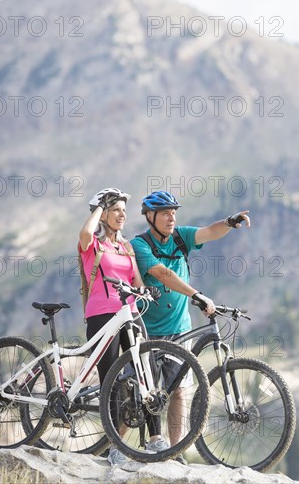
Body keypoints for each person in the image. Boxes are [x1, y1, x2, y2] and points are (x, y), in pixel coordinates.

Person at [131, 190, 251, 464]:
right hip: (148, 331)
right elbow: (163, 274)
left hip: (180, 330)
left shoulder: (180, 236)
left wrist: (230, 223)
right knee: (148, 391)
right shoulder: (140, 245)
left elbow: (209, 231)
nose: (172, 217)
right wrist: (196, 294)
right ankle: (153, 443)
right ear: (150, 217)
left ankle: (176, 452)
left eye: (174, 212)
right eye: (165, 213)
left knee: (179, 391)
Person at [79, 187, 169, 466]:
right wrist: (99, 207)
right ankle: (114, 446)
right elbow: (85, 233)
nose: (122, 215)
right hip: (102, 315)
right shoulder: (93, 244)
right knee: (113, 381)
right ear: (104, 213)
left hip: (129, 314)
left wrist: (146, 291)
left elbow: (137, 281)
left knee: (149, 372)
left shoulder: (126, 247)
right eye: (116, 209)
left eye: (123, 210)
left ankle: (156, 438)